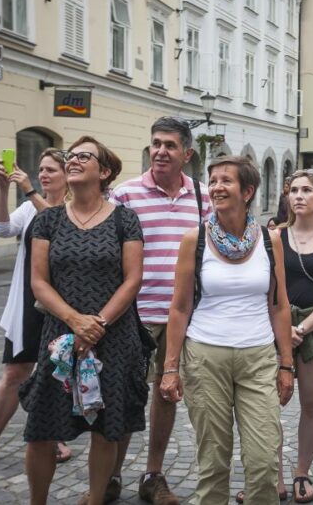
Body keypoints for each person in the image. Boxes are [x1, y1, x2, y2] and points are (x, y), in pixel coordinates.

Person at [159, 155, 294, 504]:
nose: (216, 187)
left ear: (247, 191)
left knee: (264, 461)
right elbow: (179, 307)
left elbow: (279, 305)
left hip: (258, 357)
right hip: (205, 357)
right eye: (213, 181)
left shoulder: (271, 240)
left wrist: (286, 364)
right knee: (213, 461)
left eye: (226, 181)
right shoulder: (195, 240)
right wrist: (170, 368)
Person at [21, 137, 146, 505]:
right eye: (70, 156)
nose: (73, 161)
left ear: (104, 171)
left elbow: (132, 280)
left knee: (105, 429)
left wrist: (97, 324)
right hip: (60, 336)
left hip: (113, 336)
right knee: (41, 429)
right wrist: (75, 320)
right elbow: (39, 282)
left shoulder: (125, 219)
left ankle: (95, 498)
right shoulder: (48, 219)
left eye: (83, 156)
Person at [235, 169, 313, 504]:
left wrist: (301, 329)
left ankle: (302, 471)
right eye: (293, 191)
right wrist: (283, 329)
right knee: (266, 406)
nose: (299, 196)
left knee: (311, 404)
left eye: (307, 191)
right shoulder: (274, 235)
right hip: (275, 331)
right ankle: (270, 477)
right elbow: (263, 286)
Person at [108, 117, 211, 505]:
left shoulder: (202, 197)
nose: (161, 151)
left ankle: (153, 475)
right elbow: (109, 253)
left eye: (170, 145)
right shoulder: (126, 195)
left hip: (181, 317)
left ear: (187, 153)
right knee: (125, 396)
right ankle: (110, 475)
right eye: (156, 144)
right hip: (133, 316)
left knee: (166, 395)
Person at [0, 150, 72, 472]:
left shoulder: (73, 207)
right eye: (41, 169)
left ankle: (53, 437)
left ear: (67, 175)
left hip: (63, 304)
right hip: (27, 301)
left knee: (57, 373)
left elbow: (60, 226)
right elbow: (1, 229)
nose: (44, 174)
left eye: (51, 170)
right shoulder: (28, 206)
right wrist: (1, 189)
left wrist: (28, 189)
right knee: (14, 373)